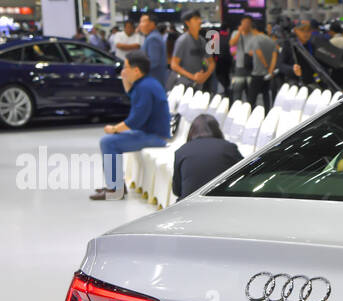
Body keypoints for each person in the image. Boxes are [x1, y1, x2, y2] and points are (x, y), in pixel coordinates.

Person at [91, 50, 171, 201]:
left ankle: (115, 189)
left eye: (126, 67)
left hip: (154, 136)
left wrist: (114, 129)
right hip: (150, 133)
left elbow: (135, 121)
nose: (123, 70)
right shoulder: (146, 83)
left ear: (136, 70)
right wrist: (124, 77)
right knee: (110, 141)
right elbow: (131, 93)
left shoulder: (145, 87)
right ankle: (115, 185)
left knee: (108, 142)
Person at [172, 114, 242, 201]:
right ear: (217, 130)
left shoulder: (181, 151)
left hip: (189, 206)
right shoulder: (228, 148)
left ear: (191, 131)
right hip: (222, 203)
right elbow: (245, 173)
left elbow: (177, 190)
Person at [169, 10, 215, 92]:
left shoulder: (202, 41)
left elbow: (211, 63)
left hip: (199, 85)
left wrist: (205, 76)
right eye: (196, 19)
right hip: (183, 85)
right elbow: (174, 64)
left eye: (199, 18)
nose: (199, 21)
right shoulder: (182, 41)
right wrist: (193, 77)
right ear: (187, 23)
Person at [247, 23, 279, 110]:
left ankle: (251, 114)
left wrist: (266, 66)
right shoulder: (270, 40)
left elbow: (259, 53)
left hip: (257, 72)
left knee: (252, 97)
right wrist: (270, 70)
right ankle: (267, 112)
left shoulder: (255, 39)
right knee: (266, 94)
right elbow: (274, 56)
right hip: (267, 74)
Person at [228, 16, 257, 102]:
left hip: (251, 66)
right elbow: (231, 44)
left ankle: (250, 109)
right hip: (239, 66)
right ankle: (236, 110)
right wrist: (240, 32)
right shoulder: (236, 33)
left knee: (251, 93)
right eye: (244, 22)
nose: (246, 24)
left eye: (248, 23)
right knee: (237, 93)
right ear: (241, 23)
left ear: (251, 24)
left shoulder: (254, 34)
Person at [138, 14, 167, 86]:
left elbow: (153, 61)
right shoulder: (153, 36)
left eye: (143, 22)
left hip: (153, 79)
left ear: (152, 24)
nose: (140, 25)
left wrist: (139, 71)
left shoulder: (153, 38)